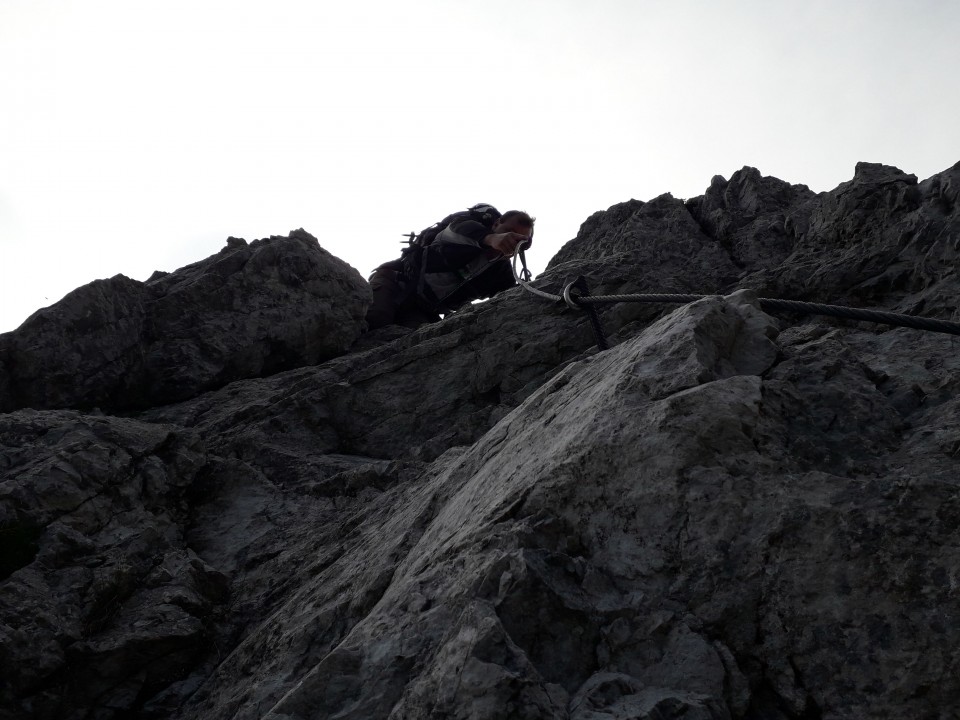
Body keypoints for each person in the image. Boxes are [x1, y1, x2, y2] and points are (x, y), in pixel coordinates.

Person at [365, 204, 535, 330]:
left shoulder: (501, 274)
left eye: (521, 241)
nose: (512, 240)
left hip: (423, 309)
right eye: (508, 231)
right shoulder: (464, 229)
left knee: (405, 343)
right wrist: (491, 239)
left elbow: (509, 299)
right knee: (376, 319)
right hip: (394, 282)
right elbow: (457, 229)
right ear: (496, 224)